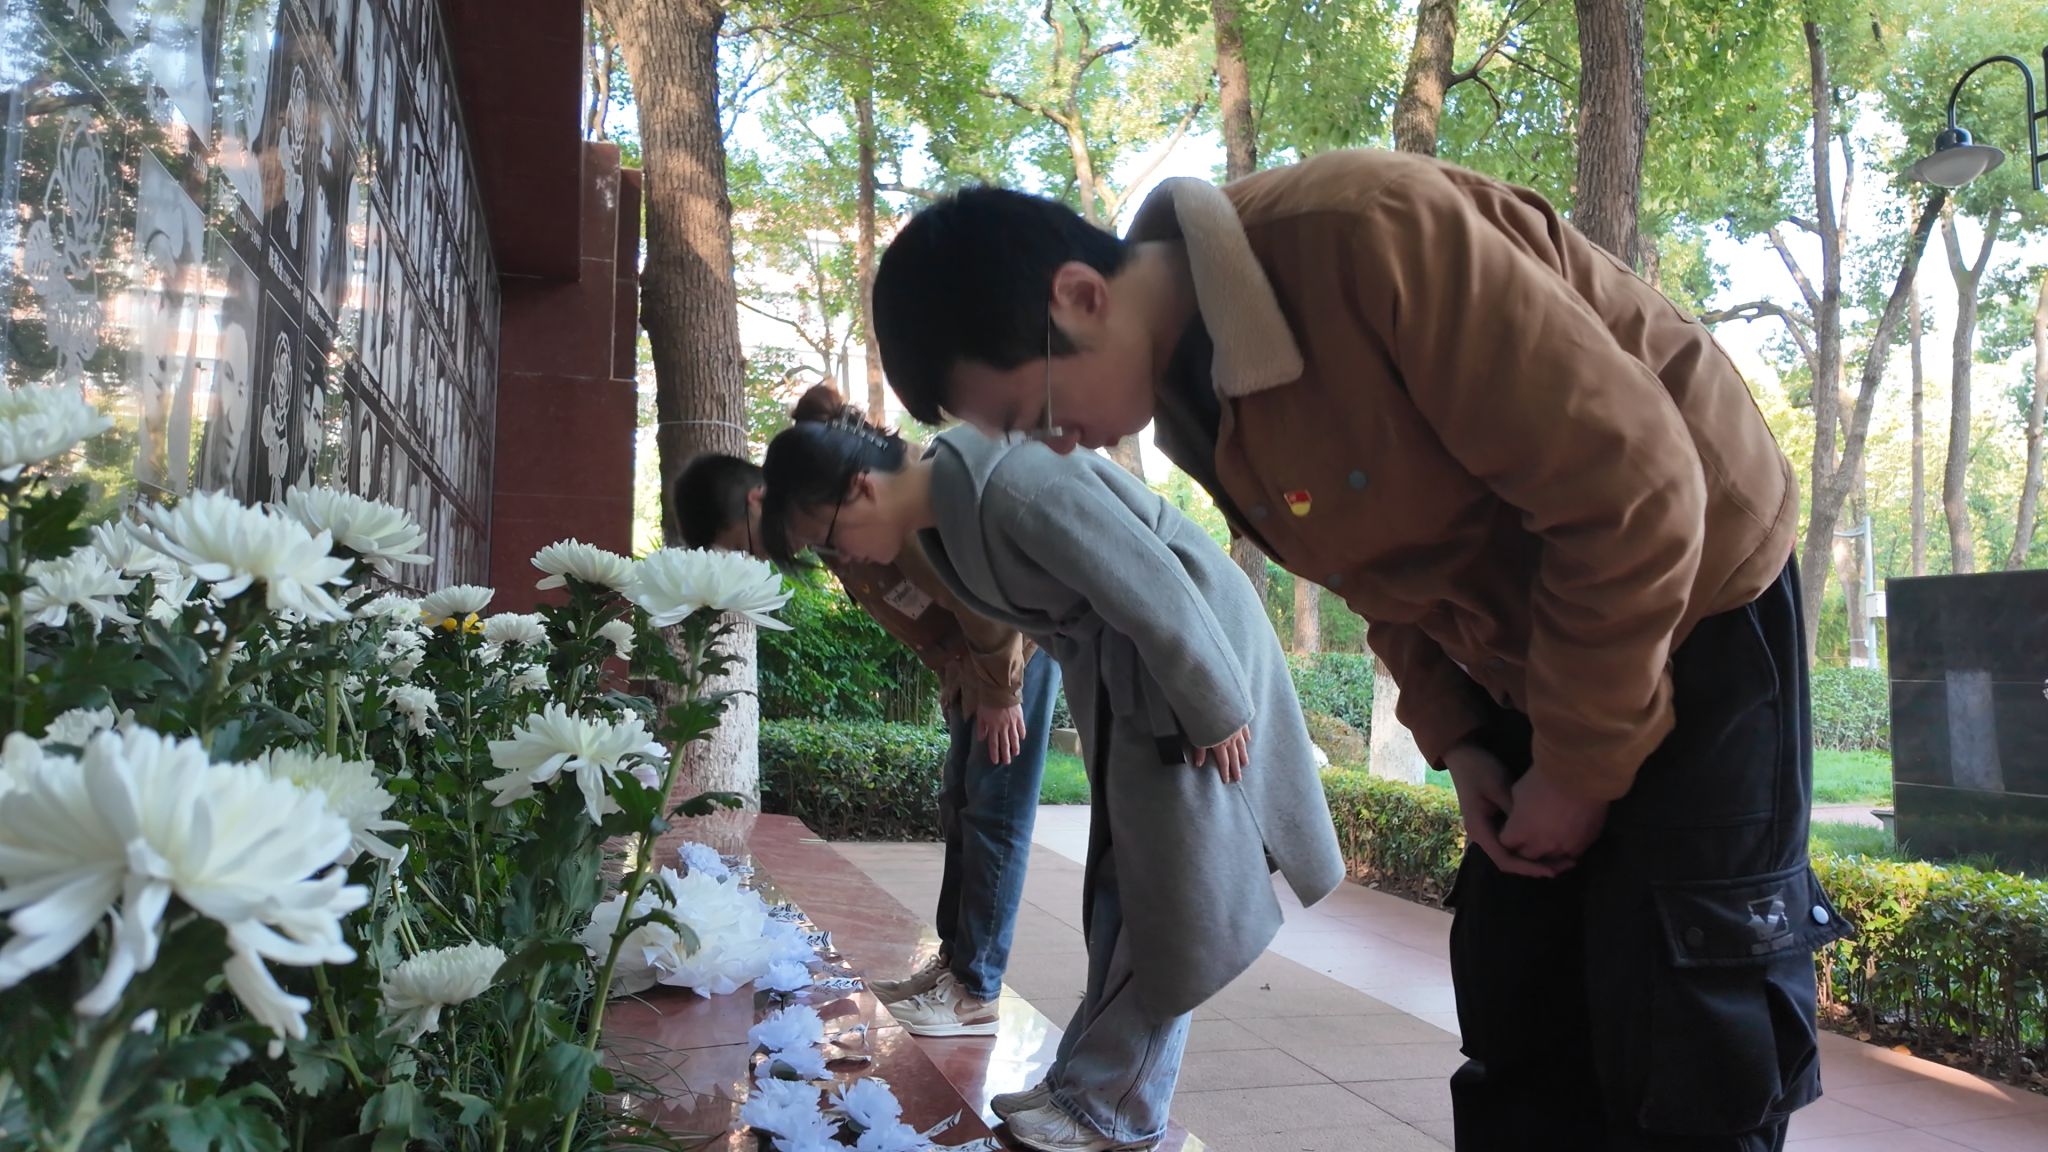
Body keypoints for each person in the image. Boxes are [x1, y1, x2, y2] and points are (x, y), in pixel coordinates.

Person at [865, 149, 1848, 1152]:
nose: (1055, 445)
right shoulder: (1189, 397)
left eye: (1031, 415)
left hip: (1698, 597)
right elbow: (1374, 568)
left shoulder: (1366, 235)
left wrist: (1577, 766)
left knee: (1688, 1023)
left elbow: (1635, 491)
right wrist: (1462, 737)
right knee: (1520, 999)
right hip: (1523, 645)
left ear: (1079, 298)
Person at [757, 410, 1344, 1152]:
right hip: (1137, 675)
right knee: (1125, 883)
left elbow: (1155, 581)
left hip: (1188, 664)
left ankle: (1116, 1106)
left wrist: (1215, 706)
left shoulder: (1008, 484)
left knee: (1168, 897)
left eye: (829, 538)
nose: (842, 558)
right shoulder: (952, 509)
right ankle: (1085, 1081)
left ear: (861, 488)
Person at [672, 397, 1060, 1040]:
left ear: (758, 503)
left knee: (996, 811)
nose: (755, 562)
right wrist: (954, 672)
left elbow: (979, 597)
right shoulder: (822, 530)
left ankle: (976, 990)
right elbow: (925, 615)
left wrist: (999, 693)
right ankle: (954, 966)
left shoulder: (858, 509)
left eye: (743, 546)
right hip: (979, 662)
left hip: (1019, 654)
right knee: (960, 802)